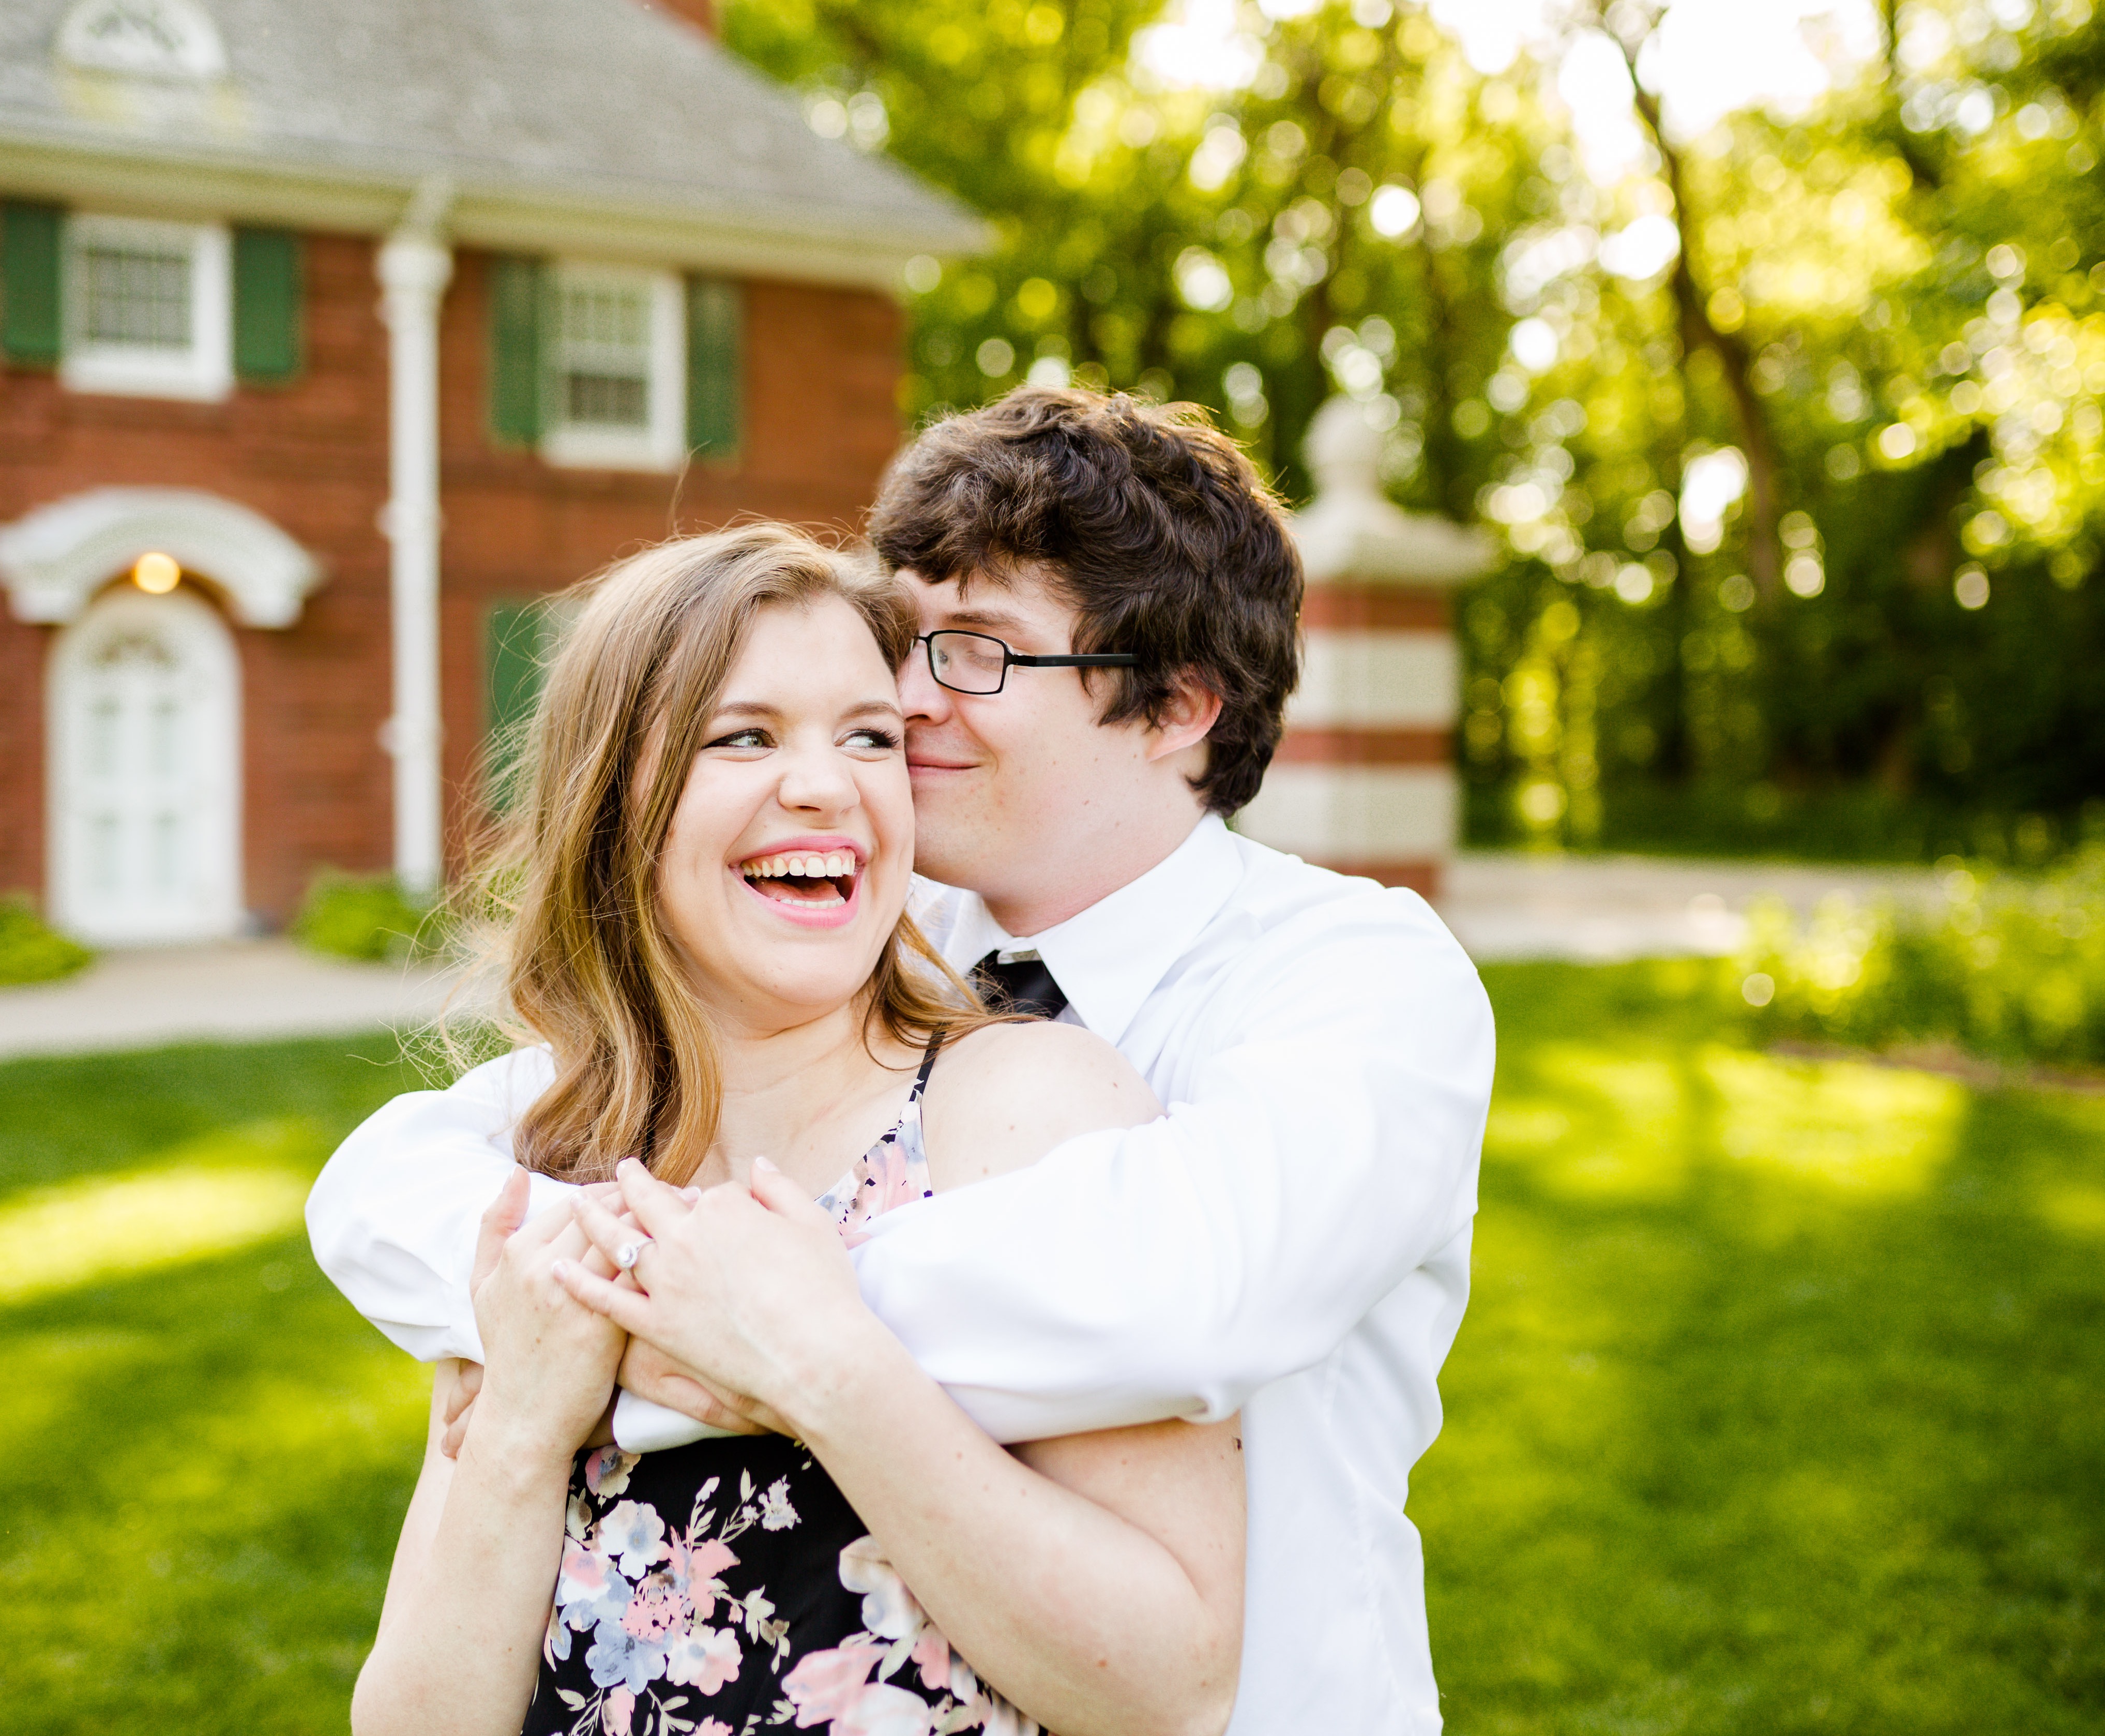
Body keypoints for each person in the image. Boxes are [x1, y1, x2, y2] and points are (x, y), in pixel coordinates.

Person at [312, 388, 1496, 1734]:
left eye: (978, 653)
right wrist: (559, 1303)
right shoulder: (867, 940)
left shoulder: (1346, 975)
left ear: (1175, 704)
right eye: (906, 645)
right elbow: (405, 1171)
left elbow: (1188, 1292)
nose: (909, 699)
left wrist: (749, 1314)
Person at [349, 524, 1249, 1736]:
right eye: (745, 735)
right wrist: (521, 1418)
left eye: (870, 736)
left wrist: (822, 1365)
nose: (830, 785)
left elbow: (1171, 1688)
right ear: (618, 801)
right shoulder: (556, 1170)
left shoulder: (1029, 1111)